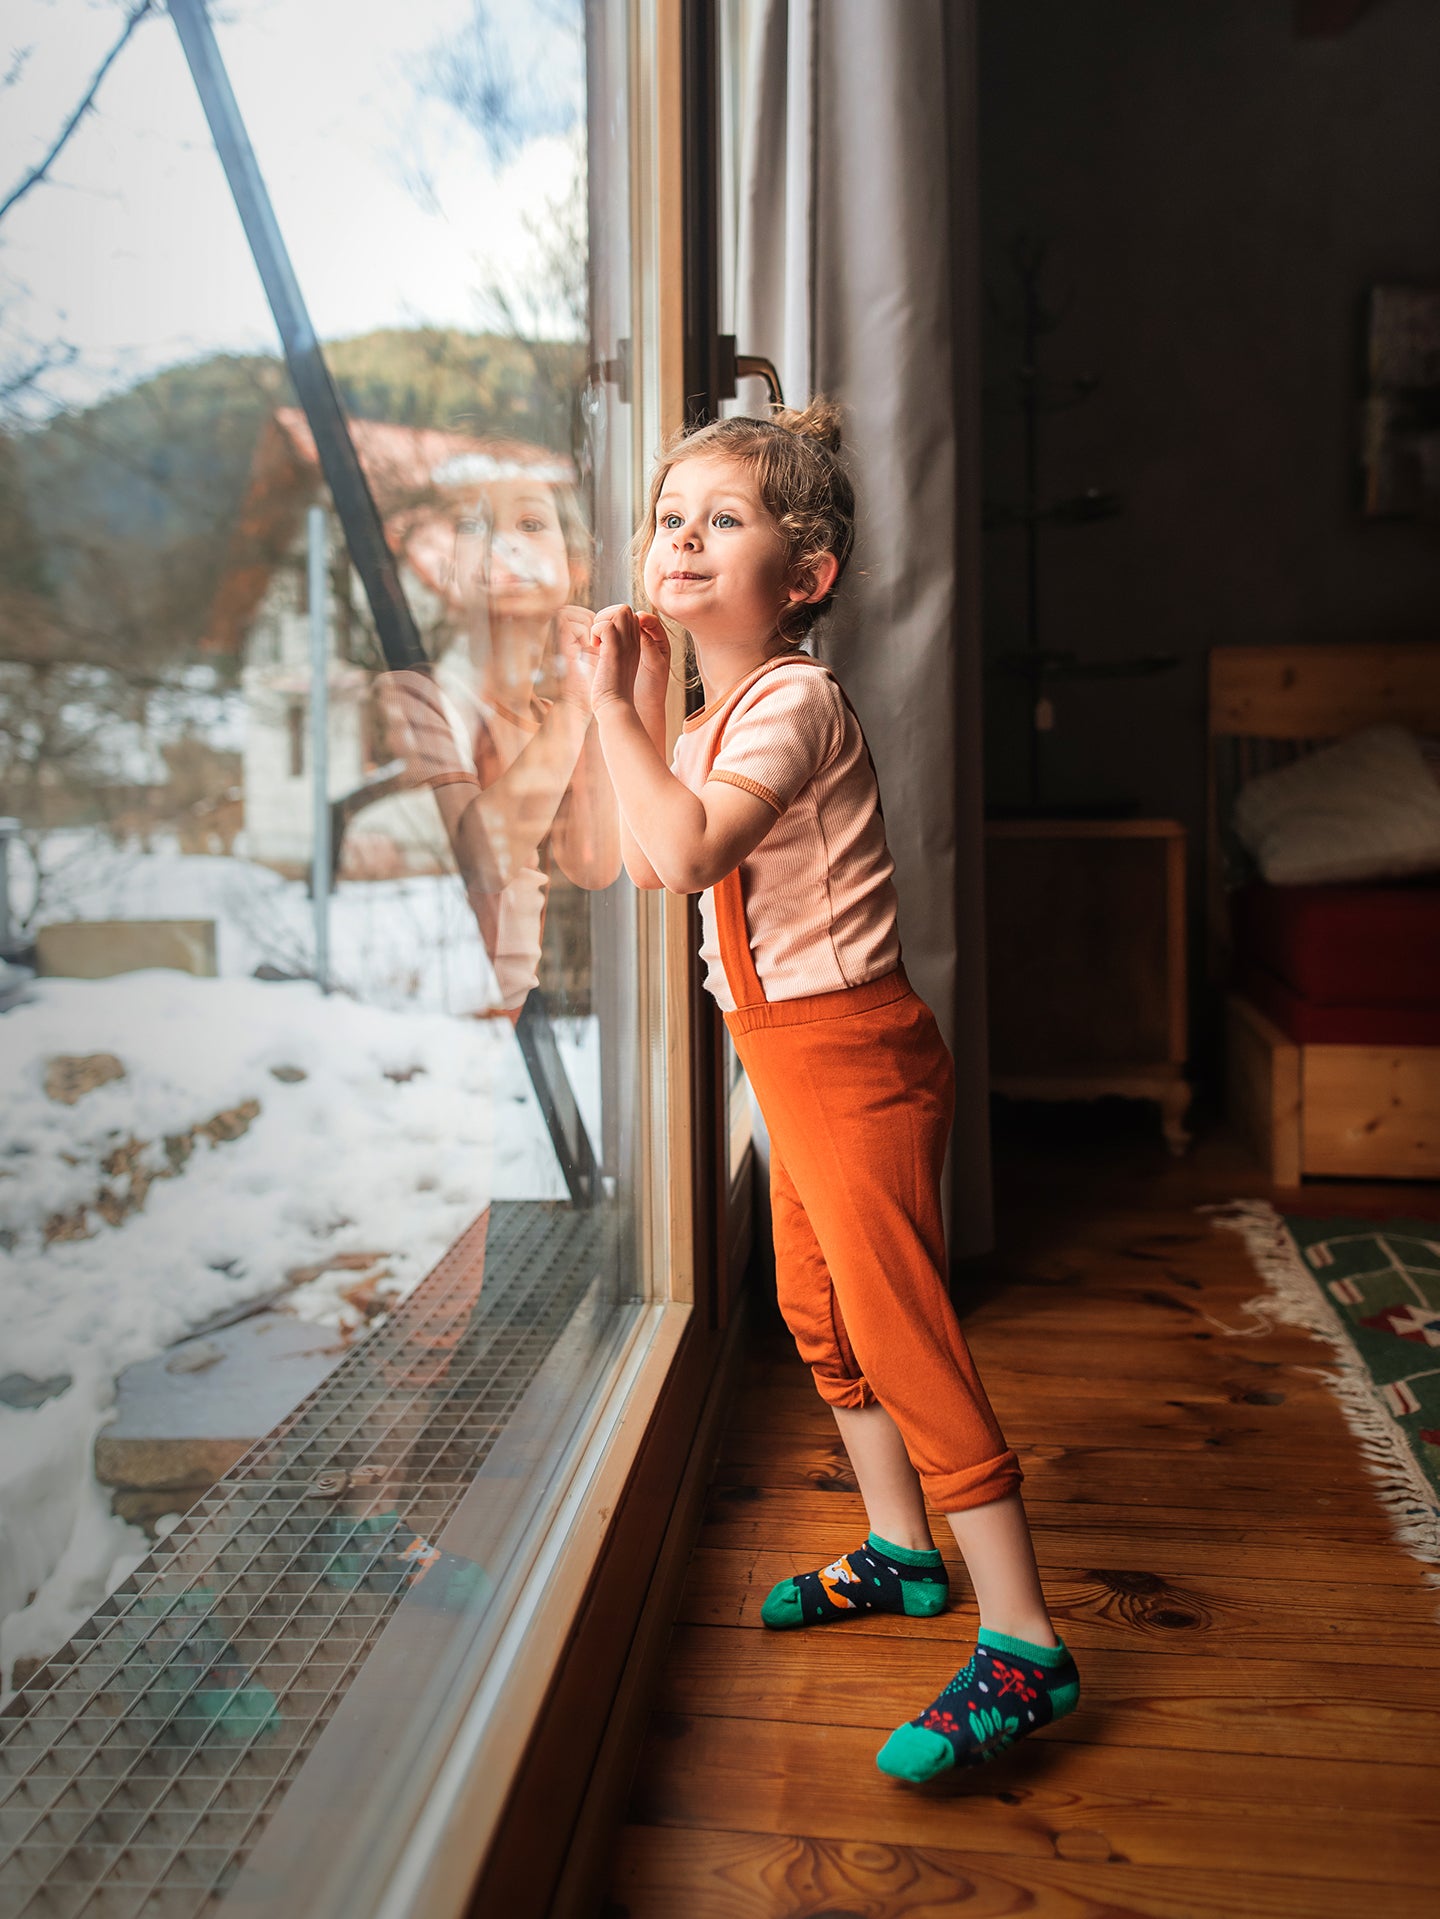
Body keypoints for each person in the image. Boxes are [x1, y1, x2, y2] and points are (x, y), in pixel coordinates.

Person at [585, 398, 1079, 1783]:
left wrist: (612, 714)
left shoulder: (792, 697)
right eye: (669, 516)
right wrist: (626, 708)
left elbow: (683, 856)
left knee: (901, 1326)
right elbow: (631, 856)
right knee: (819, 1306)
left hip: (852, 1052)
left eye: (720, 519)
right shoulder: (705, 717)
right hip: (784, 1053)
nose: (681, 537)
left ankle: (1029, 1641)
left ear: (804, 579)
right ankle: (901, 1549)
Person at [376, 440, 620, 1014]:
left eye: (530, 523)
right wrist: (577, 708)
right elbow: (483, 857)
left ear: (577, 568)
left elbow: (594, 863)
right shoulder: (415, 697)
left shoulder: (557, 709)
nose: (500, 544)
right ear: (449, 572)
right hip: (425, 1013)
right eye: (472, 526)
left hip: (511, 1032)